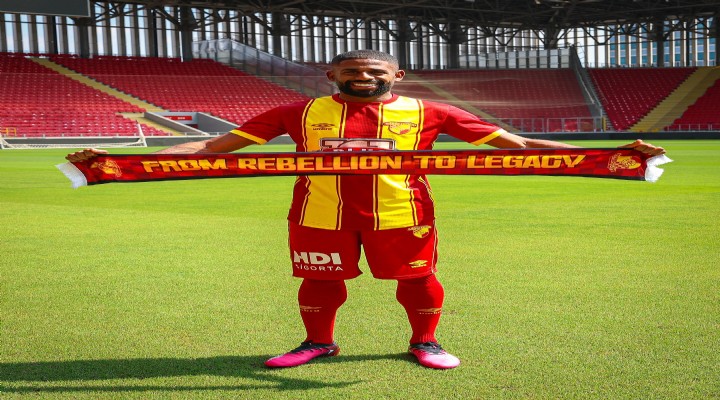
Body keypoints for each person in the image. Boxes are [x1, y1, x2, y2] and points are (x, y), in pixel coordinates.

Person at [67, 49, 665, 370]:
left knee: (417, 278)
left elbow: (518, 146)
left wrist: (611, 155)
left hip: (402, 212)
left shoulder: (432, 112)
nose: (363, 77)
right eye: (351, 71)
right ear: (332, 75)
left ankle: (425, 342)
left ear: (395, 74)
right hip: (318, 212)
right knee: (319, 279)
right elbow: (213, 148)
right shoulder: (294, 113)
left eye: (374, 71)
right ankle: (317, 343)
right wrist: (118, 160)